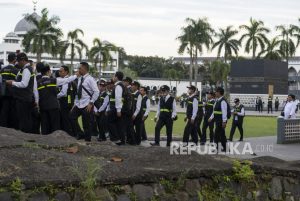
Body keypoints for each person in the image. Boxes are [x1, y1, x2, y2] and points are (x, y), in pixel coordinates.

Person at [38, 65, 78, 134]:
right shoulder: (53, 80)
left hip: (43, 106)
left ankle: (44, 138)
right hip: (53, 106)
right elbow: (67, 80)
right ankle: (55, 140)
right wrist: (76, 75)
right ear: (48, 72)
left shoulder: (38, 82)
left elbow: (36, 95)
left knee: (44, 124)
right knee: (55, 124)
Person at [6, 53, 37, 133]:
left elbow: (24, 84)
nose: (17, 63)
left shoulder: (26, 70)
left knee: (24, 120)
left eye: (18, 61)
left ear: (23, 60)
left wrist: (12, 83)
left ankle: (26, 137)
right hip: (23, 98)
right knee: (23, 119)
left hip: (24, 99)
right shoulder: (24, 69)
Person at [70, 62, 99, 142]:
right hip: (79, 104)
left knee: (86, 123)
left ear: (84, 69)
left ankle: (87, 140)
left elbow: (96, 91)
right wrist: (75, 104)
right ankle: (80, 133)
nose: (78, 70)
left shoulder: (90, 79)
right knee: (72, 117)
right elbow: (79, 93)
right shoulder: (80, 79)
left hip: (87, 104)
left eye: (80, 68)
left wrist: (91, 103)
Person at [107, 71, 129, 145]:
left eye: (114, 76)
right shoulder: (120, 85)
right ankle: (121, 141)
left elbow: (118, 98)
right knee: (119, 124)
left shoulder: (118, 86)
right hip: (117, 108)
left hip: (115, 108)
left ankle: (115, 138)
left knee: (109, 121)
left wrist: (118, 110)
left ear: (116, 77)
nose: (113, 78)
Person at [0, 53, 19, 128]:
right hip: (13, 94)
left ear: (8, 60)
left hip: (3, 94)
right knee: (12, 112)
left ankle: (3, 127)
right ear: (15, 60)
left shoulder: (2, 69)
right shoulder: (16, 70)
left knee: (4, 112)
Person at [57, 65, 77, 135]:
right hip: (69, 104)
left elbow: (63, 93)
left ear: (66, 72)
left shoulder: (66, 81)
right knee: (68, 119)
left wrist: (55, 96)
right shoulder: (72, 82)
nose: (59, 72)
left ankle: (67, 134)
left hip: (65, 104)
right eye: (59, 71)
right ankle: (72, 133)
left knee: (65, 120)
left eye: (61, 71)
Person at [209, 87, 229, 152]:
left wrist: (224, 121)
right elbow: (214, 111)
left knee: (216, 135)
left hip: (220, 121)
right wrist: (211, 117)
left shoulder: (223, 101)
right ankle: (226, 148)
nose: (215, 93)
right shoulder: (217, 100)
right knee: (222, 135)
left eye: (216, 92)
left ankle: (217, 149)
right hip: (217, 120)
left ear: (219, 92)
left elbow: (224, 112)